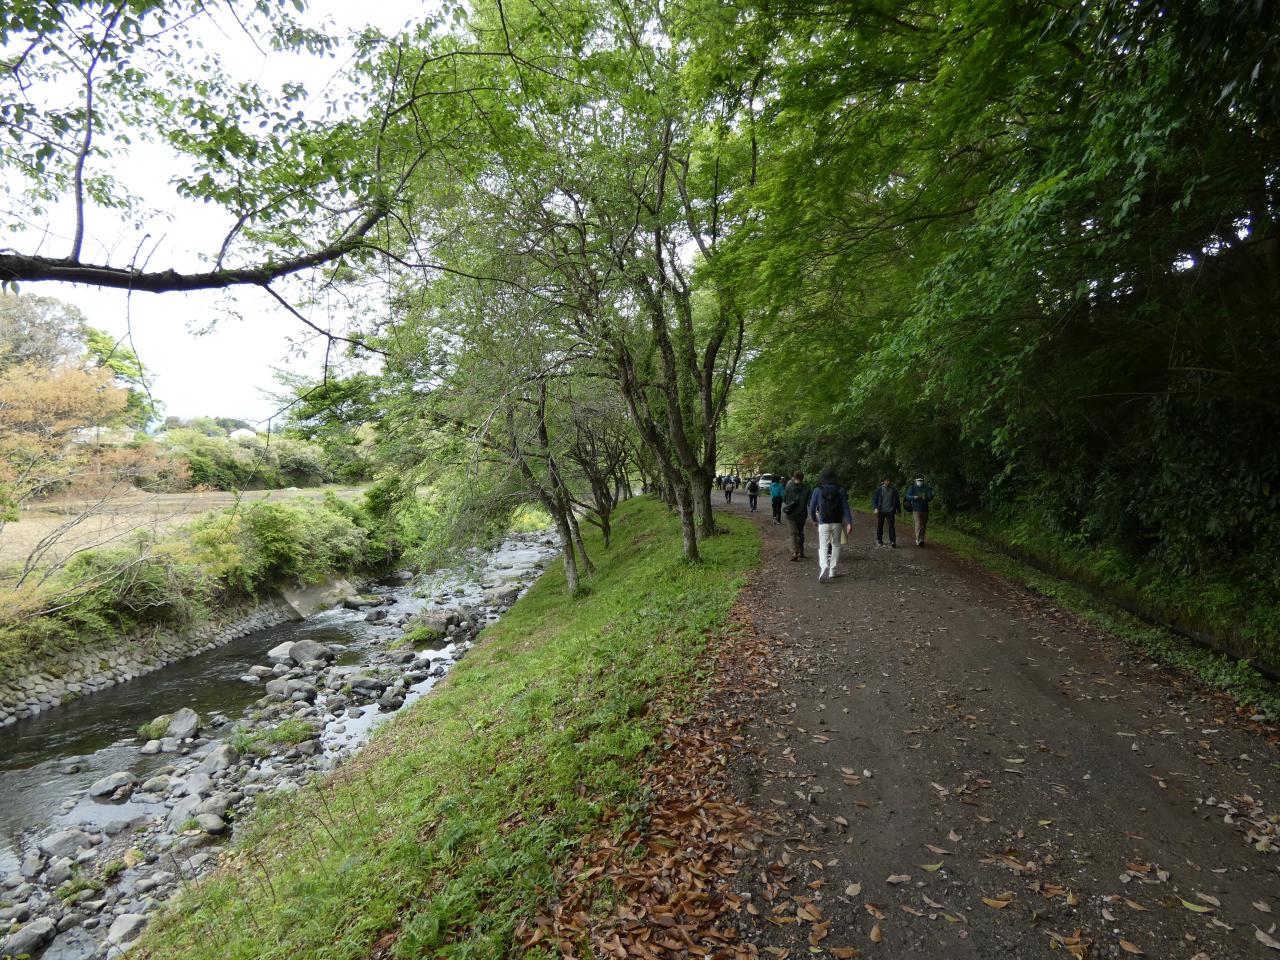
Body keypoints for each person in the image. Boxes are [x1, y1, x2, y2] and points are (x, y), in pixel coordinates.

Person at [808, 468, 853, 582]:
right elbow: (845, 507)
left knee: (823, 546)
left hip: (823, 522)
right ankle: (833, 570)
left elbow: (812, 507)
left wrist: (814, 519)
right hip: (837, 523)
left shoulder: (818, 490)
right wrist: (849, 522)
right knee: (836, 545)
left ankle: (824, 566)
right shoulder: (840, 490)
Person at [782, 471, 809, 560]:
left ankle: (795, 552)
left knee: (793, 534)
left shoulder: (789, 487)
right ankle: (801, 551)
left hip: (791, 514)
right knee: (800, 533)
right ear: (802, 478)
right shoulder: (806, 488)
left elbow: (784, 499)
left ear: (794, 477)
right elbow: (809, 501)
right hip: (802, 514)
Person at [904, 476, 935, 546]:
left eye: (921, 480)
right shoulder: (912, 487)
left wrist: (926, 497)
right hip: (916, 509)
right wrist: (914, 497)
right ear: (916, 480)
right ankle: (918, 539)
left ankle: (922, 539)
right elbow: (907, 496)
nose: (920, 482)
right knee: (918, 524)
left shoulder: (927, 488)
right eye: (918, 480)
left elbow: (931, 496)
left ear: (923, 481)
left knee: (923, 525)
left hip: (925, 510)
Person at [871, 476, 900, 548]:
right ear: (883, 481)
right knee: (880, 525)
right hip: (881, 511)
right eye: (887, 481)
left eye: (889, 481)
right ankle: (879, 540)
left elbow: (897, 500)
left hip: (890, 511)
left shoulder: (893, 490)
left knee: (891, 525)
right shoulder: (879, 489)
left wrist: (898, 510)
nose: (888, 482)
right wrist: (875, 508)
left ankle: (893, 541)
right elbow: (874, 499)